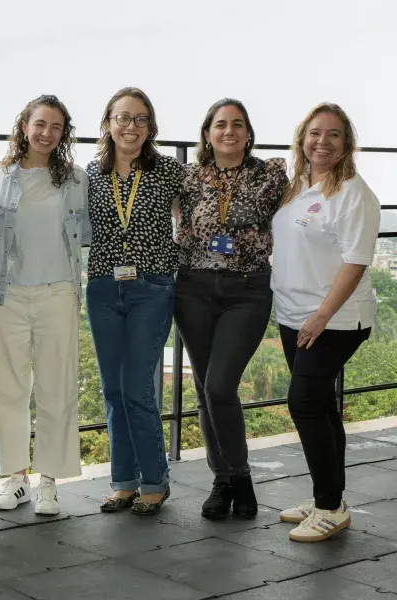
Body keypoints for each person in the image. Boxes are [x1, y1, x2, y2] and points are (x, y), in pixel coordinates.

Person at [174, 99, 288, 520]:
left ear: (248, 132)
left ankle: (240, 476)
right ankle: (222, 480)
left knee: (220, 386)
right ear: (207, 133)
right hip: (194, 288)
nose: (229, 131)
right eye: (220, 124)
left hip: (247, 289)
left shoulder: (270, 173)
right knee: (206, 389)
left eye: (237, 124)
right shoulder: (188, 176)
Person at [272, 103, 379, 542]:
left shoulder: (353, 193)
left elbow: (356, 262)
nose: (323, 141)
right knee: (321, 406)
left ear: (347, 143)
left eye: (334, 134)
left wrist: (321, 316)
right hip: (292, 314)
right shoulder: (298, 186)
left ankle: (330, 507)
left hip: (334, 319)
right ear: (302, 139)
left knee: (304, 403)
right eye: (316, 133)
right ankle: (327, 496)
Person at [0, 94, 88, 515]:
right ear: (24, 126)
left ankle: (49, 481)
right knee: (7, 388)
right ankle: (16, 479)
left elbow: (90, 232)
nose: (47, 133)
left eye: (56, 127)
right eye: (40, 124)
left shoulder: (76, 180)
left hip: (59, 292)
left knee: (57, 388)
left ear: (64, 134)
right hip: (7, 296)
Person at [85, 87, 182, 515]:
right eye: (123, 117)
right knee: (112, 389)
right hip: (103, 288)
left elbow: (190, 218)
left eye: (141, 119)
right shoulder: (90, 173)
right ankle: (123, 482)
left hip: (151, 288)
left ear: (151, 127)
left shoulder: (169, 170)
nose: (131, 126)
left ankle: (155, 481)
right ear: (107, 123)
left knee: (138, 388)